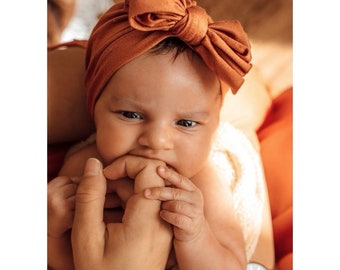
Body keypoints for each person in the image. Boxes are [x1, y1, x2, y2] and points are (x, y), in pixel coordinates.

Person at [48, 0, 270, 269]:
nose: (156, 140)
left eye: (186, 123)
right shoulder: (84, 170)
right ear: (94, 110)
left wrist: (196, 235)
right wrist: (52, 231)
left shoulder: (201, 186)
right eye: (131, 115)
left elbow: (233, 264)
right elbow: (67, 262)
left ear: (214, 129)